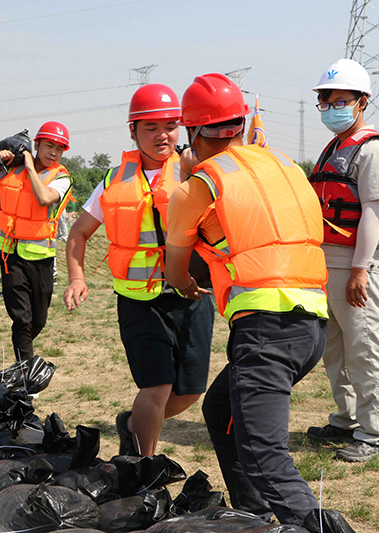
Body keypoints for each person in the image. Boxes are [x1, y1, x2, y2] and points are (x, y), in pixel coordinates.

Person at [164, 73, 333, 527]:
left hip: (267, 331)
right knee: (220, 410)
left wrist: (184, 284)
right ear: (240, 123)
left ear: (191, 132)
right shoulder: (282, 164)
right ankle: (256, 515)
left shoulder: (200, 185)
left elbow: (176, 268)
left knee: (265, 458)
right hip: (311, 322)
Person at [63, 84, 215, 457]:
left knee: (191, 391)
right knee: (157, 387)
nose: (162, 135)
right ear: (132, 131)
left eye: (170, 126)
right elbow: (78, 234)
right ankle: (145, 464)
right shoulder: (114, 181)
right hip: (139, 301)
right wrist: (77, 278)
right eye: (150, 128)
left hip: (190, 297)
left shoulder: (193, 171)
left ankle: (132, 424)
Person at [305, 58, 379, 463]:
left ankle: (373, 431)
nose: (332, 108)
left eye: (340, 100)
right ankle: (346, 419)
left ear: (361, 101)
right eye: (326, 101)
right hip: (324, 262)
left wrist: (359, 269)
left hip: (355, 263)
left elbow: (373, 212)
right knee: (334, 347)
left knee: (364, 346)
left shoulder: (370, 150)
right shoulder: (333, 147)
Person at [0, 121, 73, 361]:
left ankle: (21, 347)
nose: (53, 152)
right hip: (10, 255)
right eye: (48, 146)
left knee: (39, 320)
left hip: (41, 258)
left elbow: (45, 198)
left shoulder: (61, 177)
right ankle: (23, 370)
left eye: (59, 148)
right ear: (36, 144)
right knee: (22, 318)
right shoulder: (12, 169)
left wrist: (29, 166)